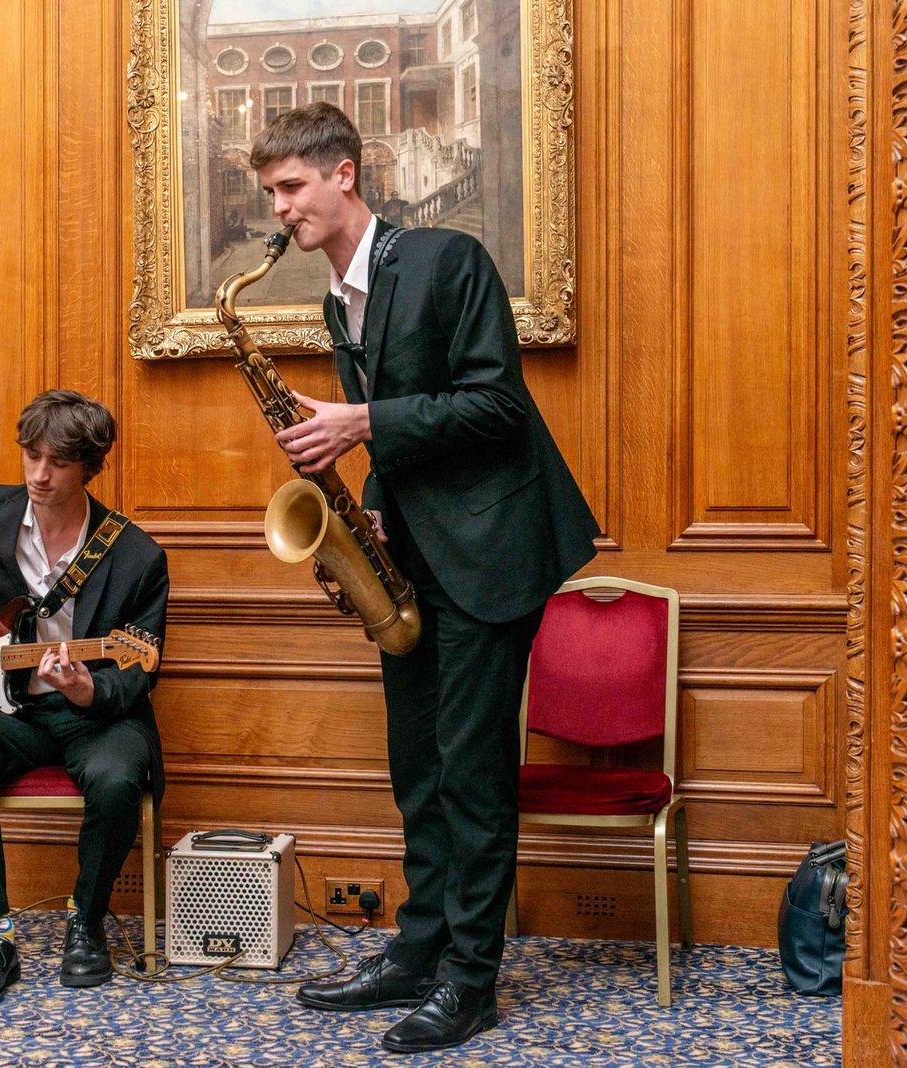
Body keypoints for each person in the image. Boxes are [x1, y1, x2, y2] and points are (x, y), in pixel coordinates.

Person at [251, 103, 599, 1053]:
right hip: (411, 554)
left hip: (492, 551)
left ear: (345, 173)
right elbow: (406, 436)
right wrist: (367, 507)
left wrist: (361, 424)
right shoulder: (341, 298)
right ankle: (419, 949)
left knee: (472, 775)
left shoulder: (448, 260)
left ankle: (470, 981)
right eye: (271, 192)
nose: (280, 208)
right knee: (419, 769)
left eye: (292, 186)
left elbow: (496, 403)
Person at [0, 389, 168, 1009]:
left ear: (89, 468)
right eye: (31, 456)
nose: (39, 474)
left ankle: (86, 923)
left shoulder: (137, 555)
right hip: (15, 708)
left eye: (58, 462)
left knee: (118, 778)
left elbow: (140, 673)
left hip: (97, 715)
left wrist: (88, 686)